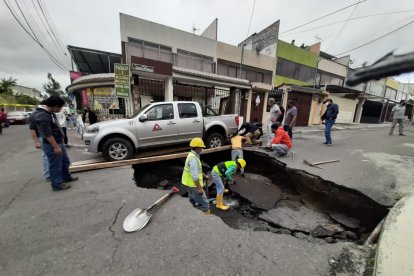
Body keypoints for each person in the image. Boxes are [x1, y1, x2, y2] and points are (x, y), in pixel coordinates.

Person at [34, 96, 78, 191]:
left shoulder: (50, 113)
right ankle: (57, 184)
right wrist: (56, 147)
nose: (61, 109)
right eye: (60, 107)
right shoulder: (43, 116)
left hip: (58, 142)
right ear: (55, 106)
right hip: (52, 145)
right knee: (55, 165)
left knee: (65, 161)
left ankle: (66, 177)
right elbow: (47, 134)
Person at [181, 138, 210, 214]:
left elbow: (198, 170)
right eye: (201, 147)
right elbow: (194, 175)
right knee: (205, 204)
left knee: (192, 198)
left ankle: (193, 210)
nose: (202, 149)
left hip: (190, 184)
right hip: (193, 185)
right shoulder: (193, 159)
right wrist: (199, 188)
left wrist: (204, 176)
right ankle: (204, 218)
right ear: (197, 147)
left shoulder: (192, 155)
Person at [29, 101, 50, 181]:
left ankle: (51, 173)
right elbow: (32, 129)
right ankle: (48, 174)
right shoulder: (34, 115)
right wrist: (36, 142)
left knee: (49, 155)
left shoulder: (45, 113)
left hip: (46, 136)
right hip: (41, 137)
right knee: (46, 155)